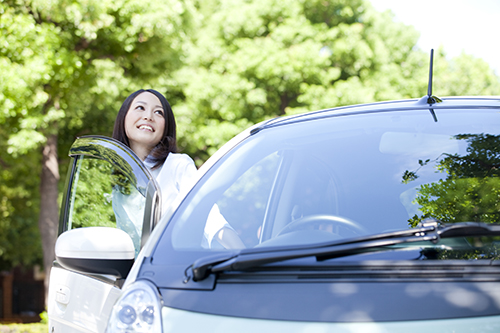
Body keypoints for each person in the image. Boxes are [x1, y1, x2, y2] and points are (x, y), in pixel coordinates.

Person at [111, 89, 244, 252]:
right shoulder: (117, 178)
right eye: (140, 108)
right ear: (123, 117)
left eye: (158, 112)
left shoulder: (177, 165)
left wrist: (243, 254)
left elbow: (209, 218)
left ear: (166, 127)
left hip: (177, 270)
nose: (148, 116)